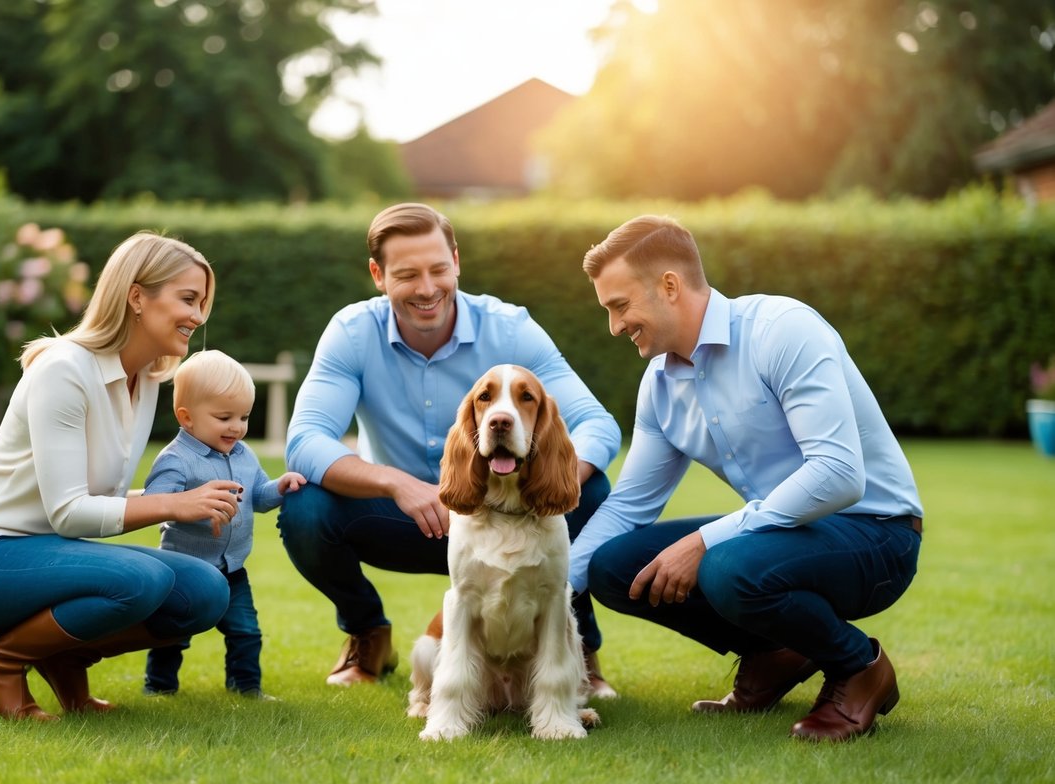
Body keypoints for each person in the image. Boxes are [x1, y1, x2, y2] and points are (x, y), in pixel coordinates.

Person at [570, 214, 923, 742]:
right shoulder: (660, 386)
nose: (615, 326)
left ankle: (859, 666)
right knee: (613, 566)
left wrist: (704, 540)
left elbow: (839, 473)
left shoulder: (782, 330)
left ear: (669, 285)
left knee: (726, 565)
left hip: (878, 533)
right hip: (784, 537)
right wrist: (544, 591)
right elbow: (626, 509)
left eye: (620, 306)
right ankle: (774, 652)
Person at [279, 202, 623, 693]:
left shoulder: (511, 328)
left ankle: (576, 650)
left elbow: (597, 425)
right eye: (407, 274)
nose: (427, 288)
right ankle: (367, 631)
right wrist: (398, 485)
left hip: (512, 511)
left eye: (439, 269)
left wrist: (543, 480)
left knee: (583, 491)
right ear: (377, 274)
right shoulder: (352, 333)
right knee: (303, 508)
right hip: (404, 516)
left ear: (457, 261)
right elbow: (305, 439)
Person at [0, 231, 242, 721]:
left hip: (55, 554)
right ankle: (0, 660)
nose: (199, 317)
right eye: (188, 299)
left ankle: (65, 656)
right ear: (137, 296)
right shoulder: (64, 369)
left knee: (205, 591)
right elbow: (69, 511)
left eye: (203, 303)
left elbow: (98, 498)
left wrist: (193, 499)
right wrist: (171, 504)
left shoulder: (149, 381)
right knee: (143, 578)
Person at [141, 349, 305, 698]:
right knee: (172, 633)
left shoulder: (244, 455)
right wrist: (194, 506)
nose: (237, 427)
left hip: (232, 570)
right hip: (183, 570)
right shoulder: (176, 460)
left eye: (244, 416)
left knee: (246, 631)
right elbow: (155, 505)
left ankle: (245, 688)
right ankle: (159, 685)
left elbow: (257, 496)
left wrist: (279, 487)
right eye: (224, 416)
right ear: (186, 417)